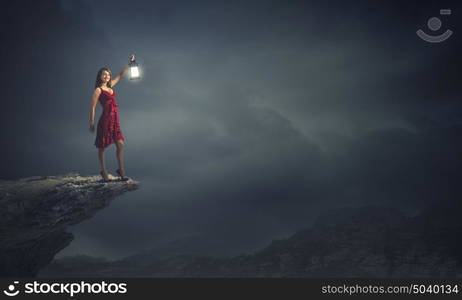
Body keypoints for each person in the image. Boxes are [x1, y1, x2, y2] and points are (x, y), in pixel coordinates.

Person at [89, 55, 135, 182]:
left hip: (115, 121)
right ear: (100, 76)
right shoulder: (98, 90)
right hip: (105, 121)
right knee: (102, 148)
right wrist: (91, 122)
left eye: (108, 74)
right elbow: (92, 107)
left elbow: (120, 75)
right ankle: (104, 171)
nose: (107, 76)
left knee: (120, 145)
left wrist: (130, 63)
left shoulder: (111, 87)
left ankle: (121, 171)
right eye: (104, 74)